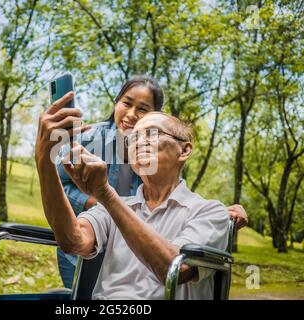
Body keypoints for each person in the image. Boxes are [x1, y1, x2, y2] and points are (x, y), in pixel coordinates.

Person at [55, 76, 248, 288]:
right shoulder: (89, 139)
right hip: (96, 233)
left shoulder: (158, 156)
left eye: (142, 109)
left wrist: (220, 213)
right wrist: (95, 202)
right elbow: (62, 187)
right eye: (126, 103)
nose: (131, 114)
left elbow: (167, 196)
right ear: (116, 103)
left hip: (138, 248)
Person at [35, 101, 229, 299]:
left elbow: (176, 270)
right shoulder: (114, 206)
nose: (139, 142)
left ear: (185, 150)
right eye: (133, 137)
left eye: (152, 133)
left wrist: (106, 195)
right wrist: (44, 161)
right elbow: (73, 241)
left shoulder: (211, 212)